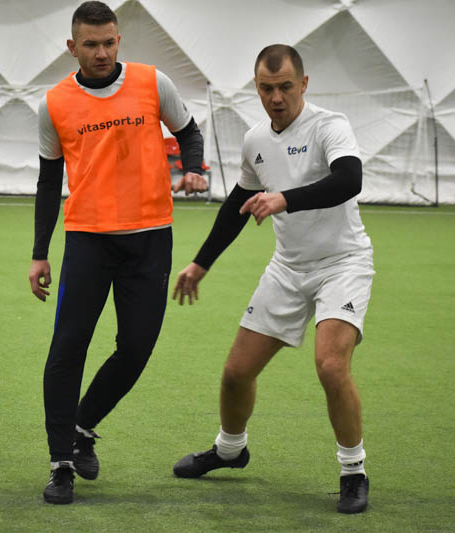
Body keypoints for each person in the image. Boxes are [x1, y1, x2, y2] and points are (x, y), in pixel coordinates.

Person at [171, 44, 374, 514]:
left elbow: (350, 180)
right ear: (257, 88)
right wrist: (200, 264)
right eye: (266, 88)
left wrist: (285, 198)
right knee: (236, 374)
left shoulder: (330, 126)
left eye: (285, 87)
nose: (276, 97)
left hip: (342, 264)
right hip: (287, 268)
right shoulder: (256, 139)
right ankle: (230, 450)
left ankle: (353, 471)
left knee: (331, 366)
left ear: (304, 84)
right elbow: (237, 206)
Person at [29, 1, 207, 505]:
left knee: (136, 347)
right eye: (91, 44)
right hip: (87, 240)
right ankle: (61, 464)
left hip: (150, 239)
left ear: (118, 40)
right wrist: (40, 253)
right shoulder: (54, 103)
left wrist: (193, 168)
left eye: (109, 42)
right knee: (68, 349)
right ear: (72, 47)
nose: (102, 52)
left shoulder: (153, 82)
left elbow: (188, 131)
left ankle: (82, 425)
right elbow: (48, 182)